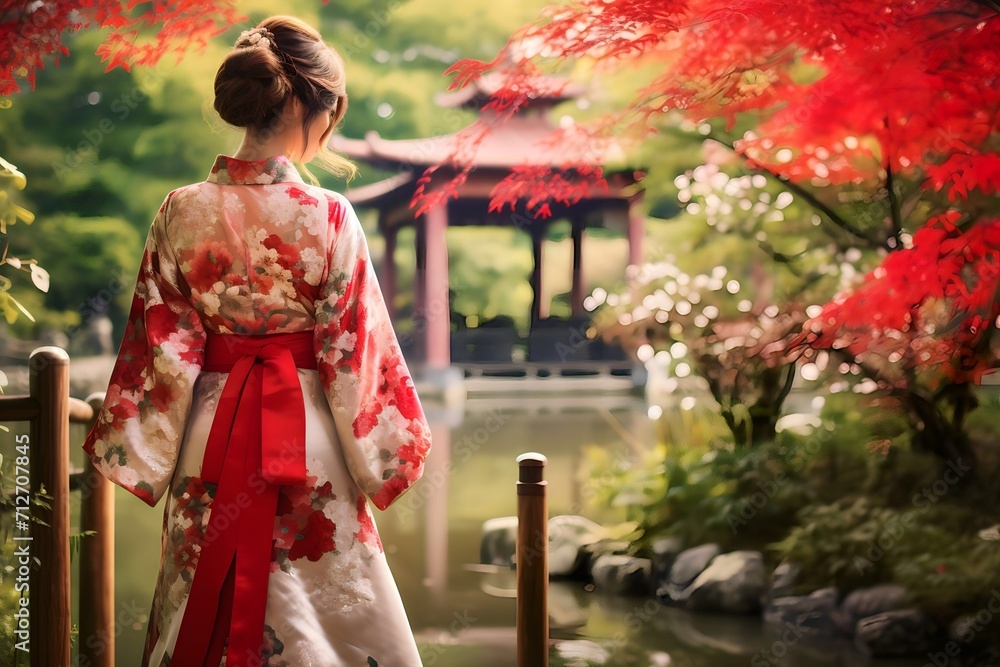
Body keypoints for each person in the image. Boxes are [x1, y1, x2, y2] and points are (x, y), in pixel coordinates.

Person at [82, 16, 431, 667]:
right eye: (334, 110)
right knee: (324, 613)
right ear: (309, 103)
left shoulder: (179, 209)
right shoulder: (329, 214)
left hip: (209, 437)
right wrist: (390, 449)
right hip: (311, 436)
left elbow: (161, 347)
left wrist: (133, 442)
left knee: (200, 597)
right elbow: (354, 352)